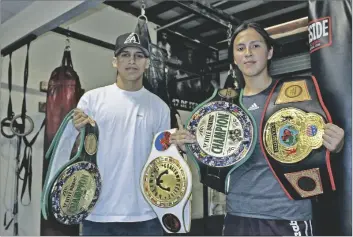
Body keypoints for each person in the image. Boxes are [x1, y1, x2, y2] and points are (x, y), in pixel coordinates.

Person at [170, 22, 345, 236]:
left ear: (269, 52)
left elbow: (321, 143)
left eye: (256, 46)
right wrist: (187, 142)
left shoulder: (296, 95)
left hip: (287, 216)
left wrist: (335, 144)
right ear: (234, 58)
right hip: (238, 215)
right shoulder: (223, 107)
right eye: (241, 48)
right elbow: (215, 159)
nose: (248, 53)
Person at [72, 32, 171, 236]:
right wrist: (73, 132)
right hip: (97, 212)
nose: (132, 61)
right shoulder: (91, 100)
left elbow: (163, 159)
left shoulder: (160, 107)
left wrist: (178, 146)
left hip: (147, 214)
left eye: (139, 55)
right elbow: (76, 154)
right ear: (115, 61)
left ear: (147, 63)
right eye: (125, 55)